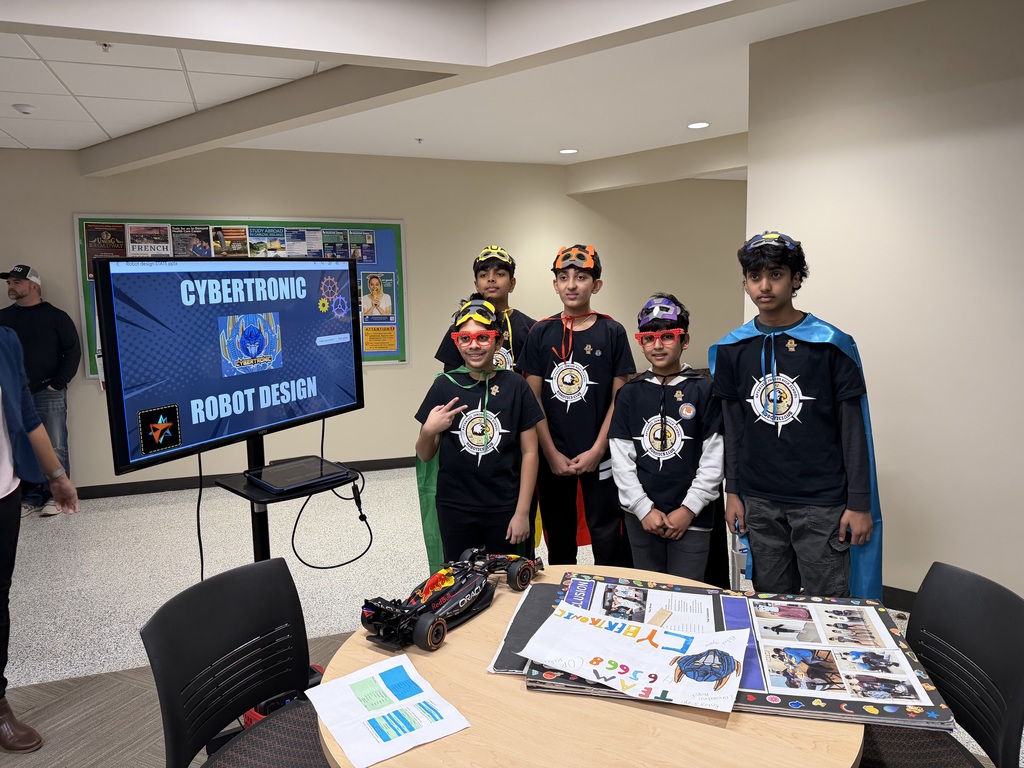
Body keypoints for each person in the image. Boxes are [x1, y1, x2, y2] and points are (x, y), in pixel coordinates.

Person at [709, 232, 883, 599]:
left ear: (796, 279)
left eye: (776, 274)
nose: (765, 286)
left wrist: (859, 503)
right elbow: (733, 429)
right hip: (758, 500)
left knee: (830, 602)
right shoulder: (732, 350)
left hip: (821, 502)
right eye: (755, 277)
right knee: (773, 604)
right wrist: (733, 491)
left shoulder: (829, 345)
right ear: (745, 283)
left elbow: (853, 431)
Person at [520, 244, 636, 566]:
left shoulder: (613, 331)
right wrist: (551, 453)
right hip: (553, 454)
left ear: (596, 285)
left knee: (607, 532)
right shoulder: (541, 332)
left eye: (581, 277)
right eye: (564, 277)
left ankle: (613, 593)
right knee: (559, 536)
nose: (572, 284)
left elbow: (620, 397)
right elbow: (533, 399)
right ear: (555, 284)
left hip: (601, 453)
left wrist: (599, 449)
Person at [0, 326, 80, 752]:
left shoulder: (6, 340)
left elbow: (27, 415)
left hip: (3, 493)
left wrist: (57, 477)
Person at [415, 299, 544, 560]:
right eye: (465, 338)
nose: (473, 345)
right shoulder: (444, 386)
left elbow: (530, 452)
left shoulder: (516, 387)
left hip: (504, 506)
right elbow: (425, 454)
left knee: (506, 579)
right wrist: (429, 430)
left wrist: (522, 512)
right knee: (460, 582)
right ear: (457, 342)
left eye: (483, 337)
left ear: (498, 342)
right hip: (455, 506)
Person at [609, 294, 723, 580]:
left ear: (684, 340)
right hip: (642, 517)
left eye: (667, 336)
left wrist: (689, 508)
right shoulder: (629, 394)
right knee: (648, 592)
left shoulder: (705, 390)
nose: (657, 345)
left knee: (690, 594)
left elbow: (715, 456)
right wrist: (643, 509)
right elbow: (621, 459)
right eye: (648, 338)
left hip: (692, 517)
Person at [0, 265, 81, 518]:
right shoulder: (3, 318)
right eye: (9, 283)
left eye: (16, 282)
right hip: (13, 396)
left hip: (48, 392)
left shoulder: (56, 316)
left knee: (55, 444)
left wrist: (57, 383)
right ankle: (31, 496)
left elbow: (73, 351)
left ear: (33, 286)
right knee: (20, 444)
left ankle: (54, 495)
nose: (11, 287)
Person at [435, 245, 536, 373]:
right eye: (483, 275)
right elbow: (450, 378)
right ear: (476, 285)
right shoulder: (461, 328)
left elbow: (535, 378)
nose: (491, 279)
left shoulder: (531, 329)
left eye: (500, 274)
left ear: (512, 284)